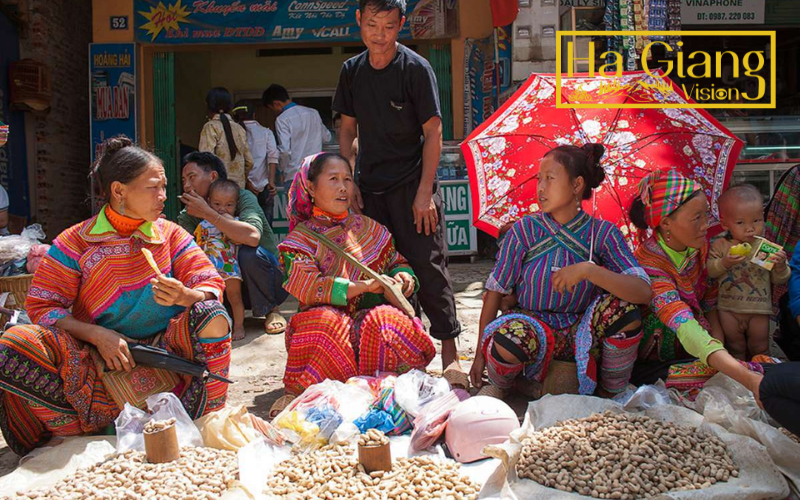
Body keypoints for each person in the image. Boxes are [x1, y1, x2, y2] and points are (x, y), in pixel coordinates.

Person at [0, 136, 231, 455]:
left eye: (164, 186)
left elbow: (209, 281)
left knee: (213, 316)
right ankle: (74, 433)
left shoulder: (170, 235)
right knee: (14, 343)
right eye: (153, 187)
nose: (163, 196)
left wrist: (187, 295)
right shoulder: (75, 243)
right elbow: (43, 307)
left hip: (169, 356)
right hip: (99, 365)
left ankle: (203, 413)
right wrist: (97, 335)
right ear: (119, 191)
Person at [334, 0, 464, 378]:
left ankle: (450, 351)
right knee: (385, 272)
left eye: (389, 26)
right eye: (372, 25)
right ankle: (406, 345)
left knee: (428, 265)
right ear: (359, 20)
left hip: (412, 186)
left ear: (401, 24)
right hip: (371, 189)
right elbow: (346, 130)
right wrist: (349, 182)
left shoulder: (416, 69)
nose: (380, 35)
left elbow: (433, 131)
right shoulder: (351, 71)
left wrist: (425, 193)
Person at [468, 144, 652, 398]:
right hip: (533, 328)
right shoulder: (525, 230)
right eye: (539, 179)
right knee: (507, 339)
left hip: (583, 335)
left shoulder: (602, 234)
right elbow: (495, 292)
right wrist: (479, 356)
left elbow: (643, 292)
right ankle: (504, 385)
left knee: (625, 313)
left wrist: (591, 271)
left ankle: (611, 392)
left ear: (577, 185)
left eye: (550, 179)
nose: (541, 188)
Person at [271, 153, 435, 416]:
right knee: (323, 323)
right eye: (333, 179)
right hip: (330, 327)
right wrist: (362, 287)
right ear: (310, 187)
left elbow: (397, 262)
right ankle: (319, 397)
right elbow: (310, 288)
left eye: (347, 179)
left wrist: (404, 278)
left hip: (371, 324)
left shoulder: (372, 229)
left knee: (386, 320)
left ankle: (389, 394)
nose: (343, 187)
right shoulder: (298, 241)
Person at [178, 152, 288, 335]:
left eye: (192, 177)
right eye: (184, 180)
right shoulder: (188, 214)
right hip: (227, 285)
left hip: (270, 281)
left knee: (248, 253)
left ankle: (271, 309)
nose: (187, 185)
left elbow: (252, 237)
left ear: (213, 176)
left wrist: (208, 214)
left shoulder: (241, 197)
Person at [707, 185, 790, 359]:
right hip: (729, 310)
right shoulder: (721, 245)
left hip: (758, 310)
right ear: (725, 223)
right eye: (740, 222)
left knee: (760, 348)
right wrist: (724, 262)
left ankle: (763, 377)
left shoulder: (765, 247)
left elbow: (779, 279)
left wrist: (781, 266)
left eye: (756, 220)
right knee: (735, 348)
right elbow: (709, 271)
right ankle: (740, 381)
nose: (750, 228)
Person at [195, 179, 246, 341]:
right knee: (214, 299)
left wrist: (226, 220)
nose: (223, 209)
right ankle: (219, 329)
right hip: (209, 269)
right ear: (208, 202)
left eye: (229, 205)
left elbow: (239, 240)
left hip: (229, 267)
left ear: (236, 205)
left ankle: (239, 325)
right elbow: (197, 245)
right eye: (217, 204)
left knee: (235, 297)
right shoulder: (203, 225)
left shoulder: (235, 223)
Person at [262, 84, 331, 187]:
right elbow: (327, 138)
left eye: (272, 109)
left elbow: (285, 151)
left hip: (294, 175)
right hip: (316, 172)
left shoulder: (282, 119)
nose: (274, 112)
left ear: (276, 104)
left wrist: (281, 170)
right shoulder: (313, 113)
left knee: (296, 203)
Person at [232, 103, 279, 225]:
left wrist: (248, 182)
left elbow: (236, 161)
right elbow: (273, 156)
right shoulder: (266, 132)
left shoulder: (234, 133)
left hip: (243, 187)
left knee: (245, 225)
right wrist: (271, 181)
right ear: (254, 114)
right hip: (265, 185)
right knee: (267, 226)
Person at [200, 88, 253, 190]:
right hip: (238, 189)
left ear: (208, 105)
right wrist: (241, 178)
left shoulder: (210, 127)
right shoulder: (239, 129)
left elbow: (205, 160)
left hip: (217, 190)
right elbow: (249, 162)